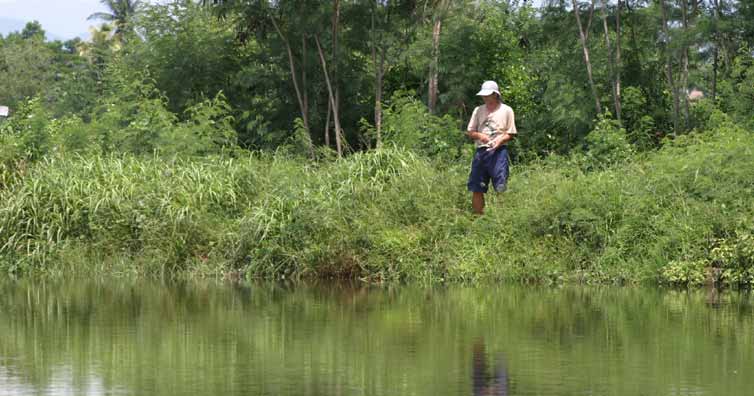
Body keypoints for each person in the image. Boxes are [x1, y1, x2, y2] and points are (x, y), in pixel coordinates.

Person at [465, 80, 517, 215]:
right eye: (483, 95)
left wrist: (499, 141)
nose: (485, 98)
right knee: (477, 187)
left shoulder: (507, 110)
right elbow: (470, 132)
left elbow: (511, 133)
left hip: (499, 152)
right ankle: (478, 219)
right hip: (481, 152)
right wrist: (480, 136)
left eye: (488, 95)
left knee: (500, 186)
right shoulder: (478, 110)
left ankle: (501, 219)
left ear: (495, 94)